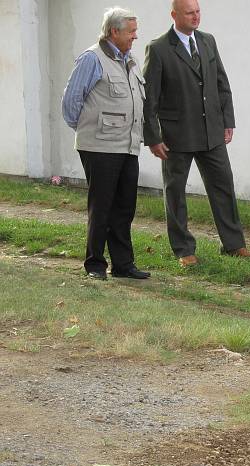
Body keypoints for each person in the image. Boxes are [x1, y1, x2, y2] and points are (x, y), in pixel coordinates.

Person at [142, 0, 250, 268]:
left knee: (223, 186)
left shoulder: (207, 41)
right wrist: (153, 137)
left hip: (211, 132)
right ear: (174, 15)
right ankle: (183, 249)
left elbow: (221, 83)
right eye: (190, 12)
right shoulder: (158, 48)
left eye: (198, 11)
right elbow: (149, 99)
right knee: (175, 193)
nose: (196, 16)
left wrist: (228, 120)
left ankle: (234, 244)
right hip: (175, 136)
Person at [61, 7, 150, 281]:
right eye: (131, 31)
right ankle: (95, 265)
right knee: (101, 206)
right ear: (114, 31)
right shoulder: (92, 58)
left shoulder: (129, 60)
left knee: (124, 207)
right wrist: (89, 131)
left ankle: (123, 265)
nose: (136, 36)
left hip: (127, 145)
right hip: (99, 146)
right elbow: (70, 103)